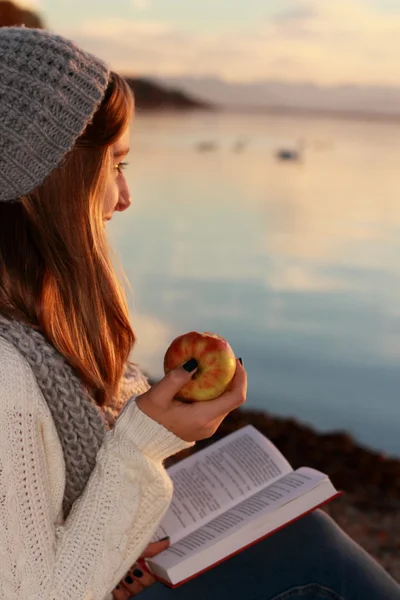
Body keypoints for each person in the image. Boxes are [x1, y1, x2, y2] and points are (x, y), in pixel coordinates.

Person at [0, 26, 398, 600]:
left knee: (298, 540)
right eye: (116, 165)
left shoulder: (32, 327)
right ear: (56, 179)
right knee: (311, 559)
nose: (125, 197)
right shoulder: (9, 370)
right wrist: (144, 442)